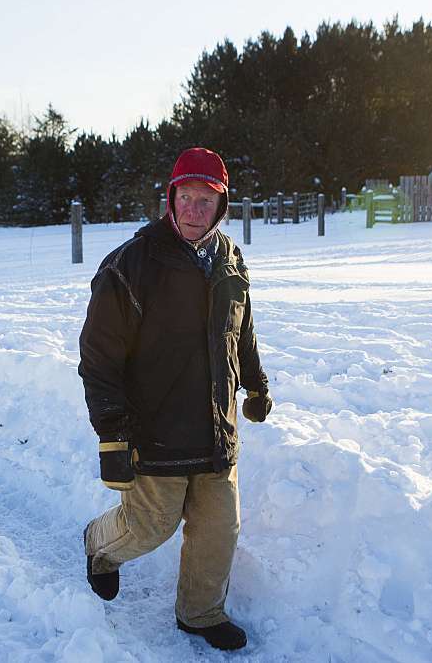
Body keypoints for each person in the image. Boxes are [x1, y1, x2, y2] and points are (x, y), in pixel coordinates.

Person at [78, 147, 272, 651]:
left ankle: (201, 614)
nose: (192, 209)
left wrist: (256, 384)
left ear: (221, 205)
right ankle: (99, 546)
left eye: (204, 200)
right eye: (184, 197)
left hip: (216, 428)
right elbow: (99, 357)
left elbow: (240, 331)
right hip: (155, 429)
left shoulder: (230, 259)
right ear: (170, 198)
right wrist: (112, 434)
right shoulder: (132, 264)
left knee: (217, 532)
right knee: (149, 526)